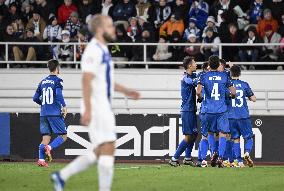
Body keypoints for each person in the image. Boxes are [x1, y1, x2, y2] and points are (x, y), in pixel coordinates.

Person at [51, 15, 140, 191]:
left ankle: (62, 176)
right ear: (100, 29)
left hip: (102, 105)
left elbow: (106, 80)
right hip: (96, 105)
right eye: (110, 26)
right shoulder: (93, 50)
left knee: (101, 150)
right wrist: (88, 109)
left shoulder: (103, 49)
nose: (114, 29)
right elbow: (86, 80)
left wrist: (126, 91)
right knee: (108, 148)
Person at [197, 55, 236, 168]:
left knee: (209, 133)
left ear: (209, 65)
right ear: (218, 64)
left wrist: (200, 97)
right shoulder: (225, 76)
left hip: (208, 110)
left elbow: (198, 91)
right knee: (223, 133)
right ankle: (220, 157)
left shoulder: (203, 76)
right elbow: (233, 92)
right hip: (221, 110)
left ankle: (212, 153)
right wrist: (230, 95)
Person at [33, 59, 68, 167]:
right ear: (57, 68)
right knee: (63, 135)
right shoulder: (58, 80)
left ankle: (41, 160)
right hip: (54, 112)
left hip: (43, 113)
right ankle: (49, 148)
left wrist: (44, 104)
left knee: (45, 138)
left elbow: (35, 98)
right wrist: (64, 106)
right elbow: (58, 95)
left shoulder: (42, 82)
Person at [169, 56, 198, 167]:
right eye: (194, 63)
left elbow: (199, 78)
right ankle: (174, 158)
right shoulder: (185, 77)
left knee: (194, 134)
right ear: (190, 65)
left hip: (192, 109)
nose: (196, 64)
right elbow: (192, 82)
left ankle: (187, 158)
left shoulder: (193, 75)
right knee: (188, 136)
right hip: (187, 110)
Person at [228, 65, 256, 167]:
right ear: (240, 73)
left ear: (230, 73)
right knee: (248, 138)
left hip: (231, 116)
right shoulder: (244, 84)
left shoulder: (228, 85)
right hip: (243, 115)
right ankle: (247, 153)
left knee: (235, 139)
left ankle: (239, 162)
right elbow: (253, 99)